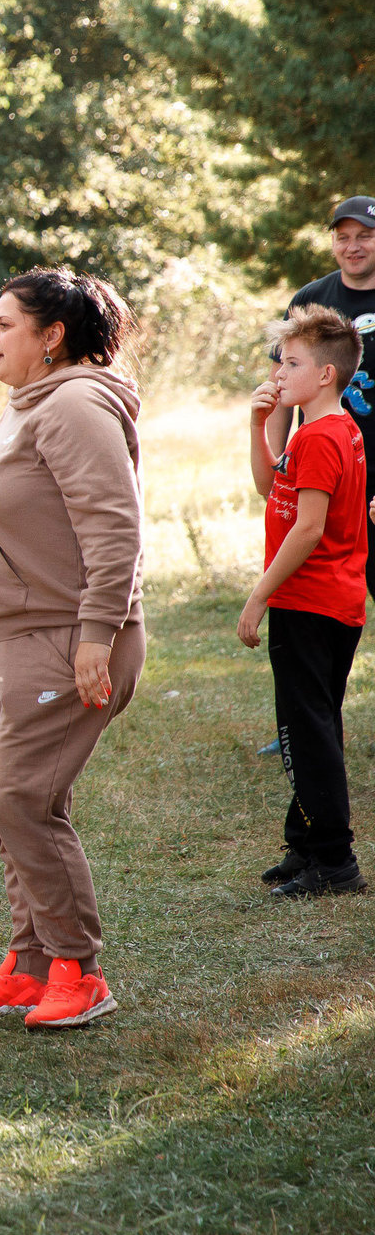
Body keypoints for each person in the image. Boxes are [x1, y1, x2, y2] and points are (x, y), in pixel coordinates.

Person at [0, 270, 144, 1029]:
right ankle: (27, 965)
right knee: (8, 807)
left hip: (68, 638)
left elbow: (114, 527)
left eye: (5, 323)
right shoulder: (28, 404)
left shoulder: (78, 402)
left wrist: (97, 635)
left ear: (52, 336)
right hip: (13, 635)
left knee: (23, 801)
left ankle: (78, 972)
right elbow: (26, 516)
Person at [241, 306, 367, 898]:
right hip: (330, 602)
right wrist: (260, 425)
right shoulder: (325, 430)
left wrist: (258, 596)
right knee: (311, 723)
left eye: (291, 363)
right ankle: (305, 843)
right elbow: (271, 488)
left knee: (305, 729)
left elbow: (308, 528)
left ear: (324, 375)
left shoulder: (321, 437)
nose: (279, 371)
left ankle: (335, 861)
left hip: (310, 602)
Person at [282, 196, 375, 597]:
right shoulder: (310, 300)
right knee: (322, 586)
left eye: (365, 236)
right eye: (343, 237)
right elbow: (278, 380)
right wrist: (276, 460)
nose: (352, 246)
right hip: (326, 467)